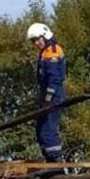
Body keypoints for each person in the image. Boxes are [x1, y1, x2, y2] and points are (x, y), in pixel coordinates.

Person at [27, 22, 67, 162]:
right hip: (47, 97)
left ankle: (56, 162)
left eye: (37, 39)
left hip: (53, 96)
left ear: (44, 36)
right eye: (33, 41)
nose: (36, 43)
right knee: (40, 129)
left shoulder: (52, 51)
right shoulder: (44, 52)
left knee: (48, 128)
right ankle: (49, 160)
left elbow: (54, 79)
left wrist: (48, 99)